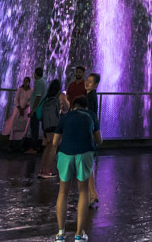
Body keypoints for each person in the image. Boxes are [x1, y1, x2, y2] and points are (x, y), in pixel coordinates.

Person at [53, 94, 101, 242]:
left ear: (73, 106)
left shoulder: (65, 117)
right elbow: (99, 140)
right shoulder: (92, 116)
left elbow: (55, 142)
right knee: (83, 191)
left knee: (63, 192)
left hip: (65, 154)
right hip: (85, 154)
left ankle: (60, 234)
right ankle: (79, 233)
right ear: (85, 107)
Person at [38, 79, 67, 179]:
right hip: (55, 124)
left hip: (46, 125)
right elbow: (67, 107)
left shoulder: (47, 97)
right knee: (53, 147)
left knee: (48, 145)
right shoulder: (60, 95)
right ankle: (47, 171)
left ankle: (42, 169)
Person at [85, 72, 101, 208]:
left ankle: (92, 194)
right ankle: (91, 194)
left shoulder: (90, 97)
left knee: (87, 165)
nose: (87, 82)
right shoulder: (90, 95)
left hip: (87, 133)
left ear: (95, 85)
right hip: (89, 132)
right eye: (87, 80)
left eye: (90, 81)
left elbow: (90, 115)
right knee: (86, 165)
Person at [5, 76, 33, 152]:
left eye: (27, 81)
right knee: (15, 126)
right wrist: (20, 108)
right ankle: (11, 145)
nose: (25, 82)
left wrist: (24, 108)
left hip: (26, 110)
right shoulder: (20, 89)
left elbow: (31, 101)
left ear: (29, 82)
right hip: (18, 110)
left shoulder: (31, 91)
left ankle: (20, 145)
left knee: (24, 127)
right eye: (24, 81)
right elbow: (16, 99)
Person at [27, 66, 48, 153]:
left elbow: (38, 96)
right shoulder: (44, 81)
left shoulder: (39, 82)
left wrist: (33, 109)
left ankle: (34, 148)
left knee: (34, 128)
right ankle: (43, 146)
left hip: (37, 109)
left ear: (35, 74)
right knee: (42, 127)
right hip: (41, 107)